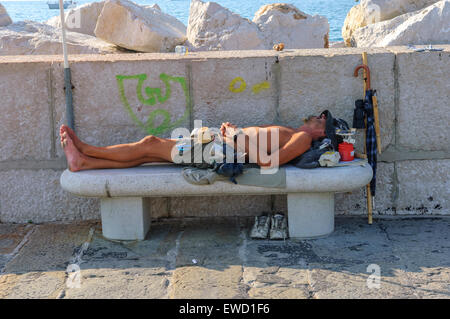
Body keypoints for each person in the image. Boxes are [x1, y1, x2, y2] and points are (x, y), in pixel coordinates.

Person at [59, 115, 327, 172]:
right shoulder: (293, 131)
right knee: (145, 156)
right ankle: (83, 162)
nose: (321, 116)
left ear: (322, 134)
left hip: (218, 151)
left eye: (325, 119)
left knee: (150, 144)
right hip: (217, 145)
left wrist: (236, 137)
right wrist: (232, 132)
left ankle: (86, 150)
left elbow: (268, 163)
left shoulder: (301, 138)